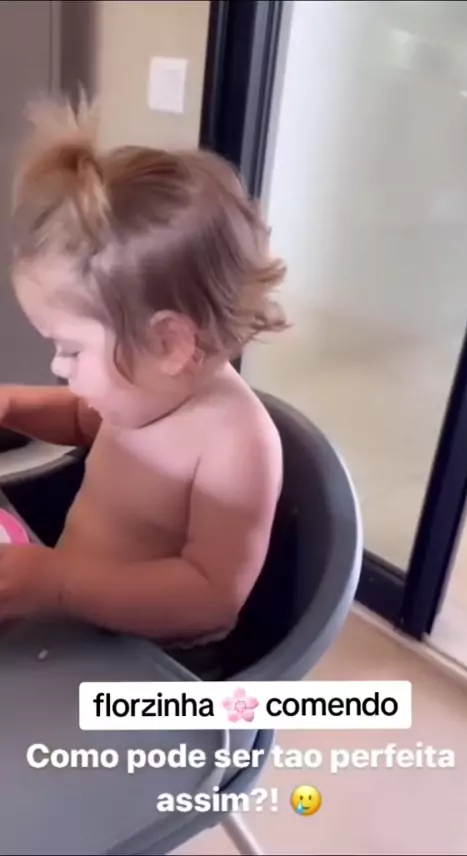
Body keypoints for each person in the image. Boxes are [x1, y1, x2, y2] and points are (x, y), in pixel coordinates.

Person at [0, 96, 286, 675]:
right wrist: (10, 404)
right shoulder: (141, 393)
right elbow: (82, 419)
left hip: (153, 666)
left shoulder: (236, 443)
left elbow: (210, 599)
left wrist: (60, 584)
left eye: (71, 349)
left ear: (170, 343)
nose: (59, 367)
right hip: (72, 617)